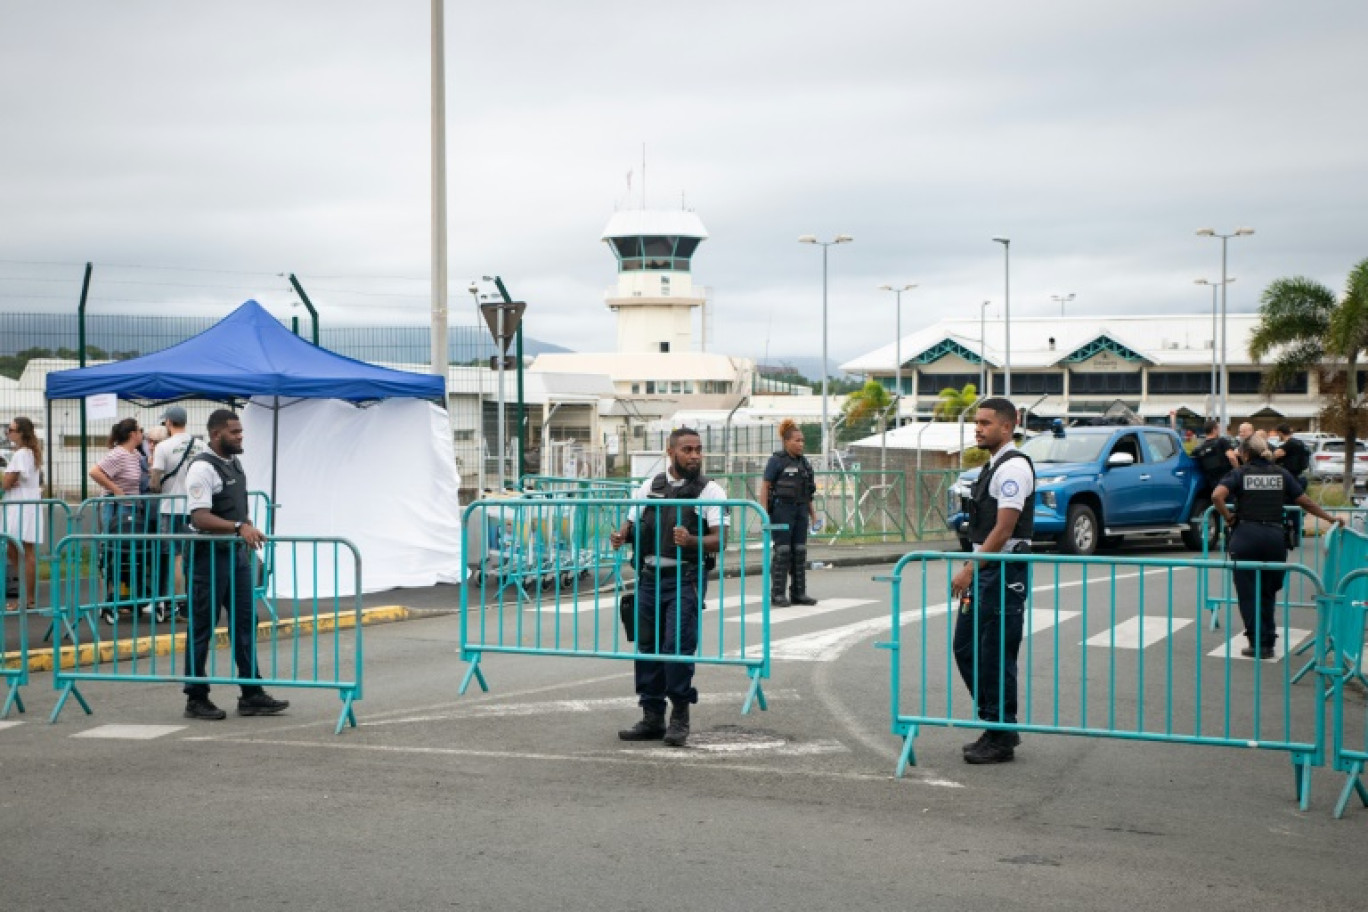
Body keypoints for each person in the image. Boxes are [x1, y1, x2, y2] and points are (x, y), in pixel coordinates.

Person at [609, 428, 727, 747]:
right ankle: (651, 717)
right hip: (649, 578)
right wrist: (622, 536)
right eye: (688, 449)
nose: (695, 455)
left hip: (685, 578)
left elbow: (721, 539)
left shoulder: (710, 491)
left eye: (698, 450)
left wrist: (692, 541)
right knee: (648, 648)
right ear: (671, 451)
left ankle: (680, 717)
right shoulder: (651, 486)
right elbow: (633, 523)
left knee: (677, 647)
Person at [180, 409, 288, 721]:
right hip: (209, 557)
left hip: (235, 556)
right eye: (235, 432)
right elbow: (199, 516)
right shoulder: (201, 468)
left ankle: (251, 693)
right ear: (216, 435)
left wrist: (247, 525)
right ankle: (196, 697)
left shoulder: (234, 463)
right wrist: (239, 526)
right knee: (202, 626)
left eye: (241, 431)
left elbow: (234, 508)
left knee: (245, 622)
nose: (241, 437)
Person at [949, 398, 1034, 765]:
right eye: (976, 423)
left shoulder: (1013, 468)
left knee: (995, 655)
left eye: (985, 423)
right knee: (967, 648)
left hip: (1001, 570)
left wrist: (971, 567)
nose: (978, 429)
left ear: (1007, 426)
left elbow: (1004, 528)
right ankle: (997, 725)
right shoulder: (993, 466)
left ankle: (1000, 733)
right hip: (988, 569)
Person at [1213, 431, 1341, 659]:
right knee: (1269, 591)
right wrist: (1330, 519)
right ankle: (1269, 640)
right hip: (1274, 537)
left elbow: (1217, 496)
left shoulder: (1240, 473)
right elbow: (1306, 502)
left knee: (1249, 593)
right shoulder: (1281, 474)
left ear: (1244, 453)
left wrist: (1228, 518)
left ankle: (1257, 643)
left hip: (1246, 536)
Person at [150, 406, 203, 620]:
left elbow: (154, 483)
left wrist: (159, 483)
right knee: (196, 556)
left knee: (176, 556)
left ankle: (176, 603)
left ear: (169, 422)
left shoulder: (163, 446)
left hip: (171, 508)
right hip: (197, 507)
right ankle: (195, 600)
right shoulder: (201, 445)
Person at [760, 419, 818, 607]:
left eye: (802, 440)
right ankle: (777, 594)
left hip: (800, 511)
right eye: (797, 440)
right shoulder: (776, 460)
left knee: (799, 551)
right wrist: (763, 514)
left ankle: (799, 593)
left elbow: (808, 492)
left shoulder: (804, 463)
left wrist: (813, 516)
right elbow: (765, 486)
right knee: (783, 551)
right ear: (786, 442)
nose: (801, 444)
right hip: (781, 511)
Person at [2, 417, 43, 611]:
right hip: (28, 505)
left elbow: (6, 483)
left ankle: (26, 598)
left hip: (20, 507)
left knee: (21, 551)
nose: (8, 433)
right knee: (24, 551)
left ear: (21, 433)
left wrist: (7, 479)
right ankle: (29, 598)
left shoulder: (21, 454)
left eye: (11, 429)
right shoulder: (31, 453)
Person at [1272, 422, 1311, 489]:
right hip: (1300, 475)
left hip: (1291, 476)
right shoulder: (1299, 442)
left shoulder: (1289, 444)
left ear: (1280, 433)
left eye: (1277, 433)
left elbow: (1275, 455)